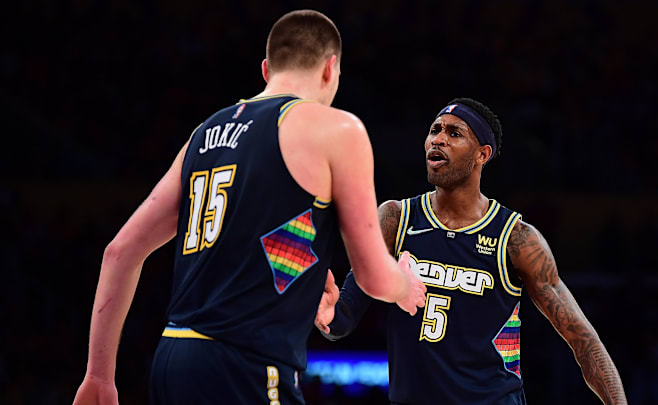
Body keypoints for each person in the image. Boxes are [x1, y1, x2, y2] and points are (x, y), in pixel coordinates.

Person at [73, 9, 426, 405]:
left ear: (265, 70)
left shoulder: (203, 134)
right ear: (330, 70)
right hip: (247, 365)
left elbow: (119, 253)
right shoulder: (337, 129)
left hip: (173, 360)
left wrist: (99, 375)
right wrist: (403, 285)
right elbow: (372, 275)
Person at [315, 97, 628, 405]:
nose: (438, 139)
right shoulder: (396, 219)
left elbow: (584, 342)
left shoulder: (516, 238)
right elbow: (343, 318)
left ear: (482, 154)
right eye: (435, 129)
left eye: (454, 133)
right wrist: (328, 313)